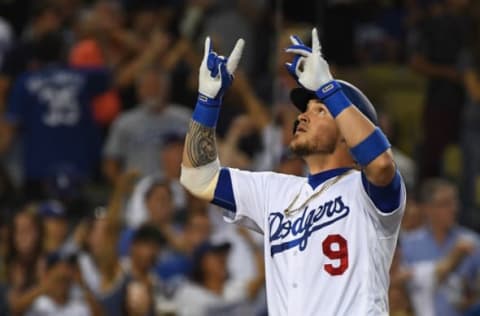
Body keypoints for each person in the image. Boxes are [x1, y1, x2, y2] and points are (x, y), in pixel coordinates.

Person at [180, 28, 406, 315]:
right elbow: (197, 177)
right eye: (305, 109)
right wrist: (207, 103)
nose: (303, 115)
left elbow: (382, 163)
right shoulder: (274, 190)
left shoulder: (367, 192)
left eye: (320, 110)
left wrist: (329, 88)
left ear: (348, 133)